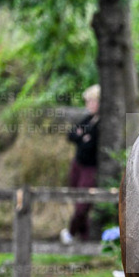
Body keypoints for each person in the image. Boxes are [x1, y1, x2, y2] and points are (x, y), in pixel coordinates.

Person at [60, 84, 100, 244]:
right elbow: (71, 134)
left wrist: (82, 137)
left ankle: (70, 233)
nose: (88, 104)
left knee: (83, 203)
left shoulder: (101, 124)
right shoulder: (88, 119)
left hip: (90, 168)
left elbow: (90, 145)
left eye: (91, 101)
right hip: (78, 164)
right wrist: (82, 138)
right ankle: (84, 236)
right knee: (75, 197)